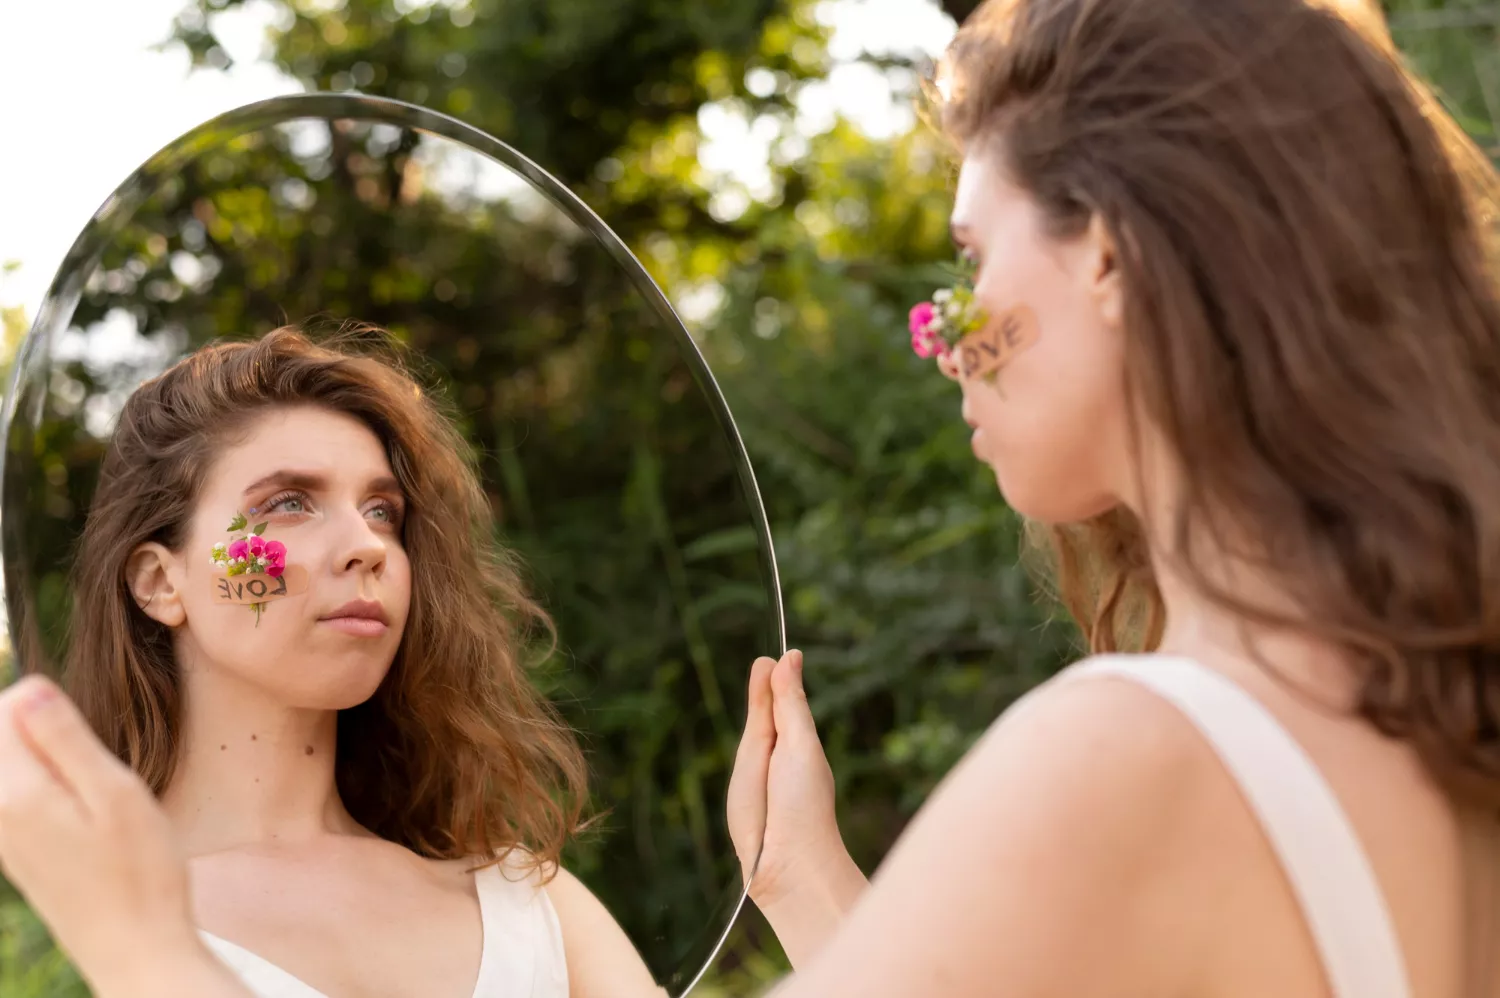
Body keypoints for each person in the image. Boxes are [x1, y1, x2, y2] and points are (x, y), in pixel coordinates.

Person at [4, 0, 1500, 994]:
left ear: (1106, 252)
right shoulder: (1406, 733)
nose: (941, 330)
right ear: (155, 576)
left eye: (969, 261)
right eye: (292, 504)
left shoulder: (1139, 746)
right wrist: (804, 878)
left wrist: (144, 953)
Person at [0, 326, 667, 997]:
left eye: (382, 512)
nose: (368, 546)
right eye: (289, 503)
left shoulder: (529, 904)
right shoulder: (72, 929)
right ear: (159, 582)